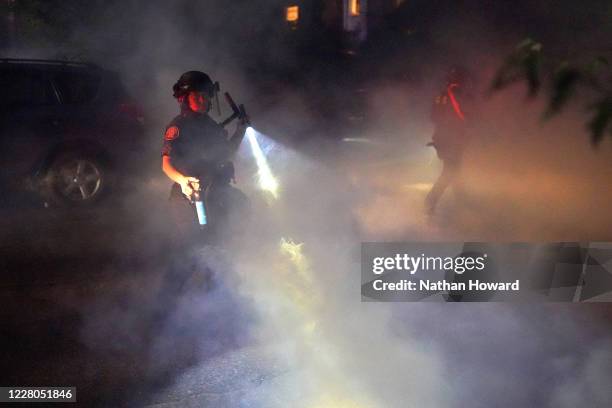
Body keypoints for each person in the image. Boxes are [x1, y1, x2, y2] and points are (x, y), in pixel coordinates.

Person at [160, 70, 246, 296]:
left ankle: (215, 296)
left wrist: (240, 131)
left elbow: (226, 154)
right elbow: (166, 164)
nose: (203, 100)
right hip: (187, 199)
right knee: (190, 250)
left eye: (205, 96)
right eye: (197, 96)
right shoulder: (177, 127)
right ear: (184, 98)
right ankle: (165, 306)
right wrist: (183, 180)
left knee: (218, 245)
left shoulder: (212, 127)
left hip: (214, 193)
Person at [425, 66, 472, 215]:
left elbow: (433, 116)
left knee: (453, 170)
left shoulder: (441, 95)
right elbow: (467, 116)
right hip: (453, 139)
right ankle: (431, 202)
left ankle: (461, 203)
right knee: (451, 171)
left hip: (443, 139)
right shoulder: (458, 95)